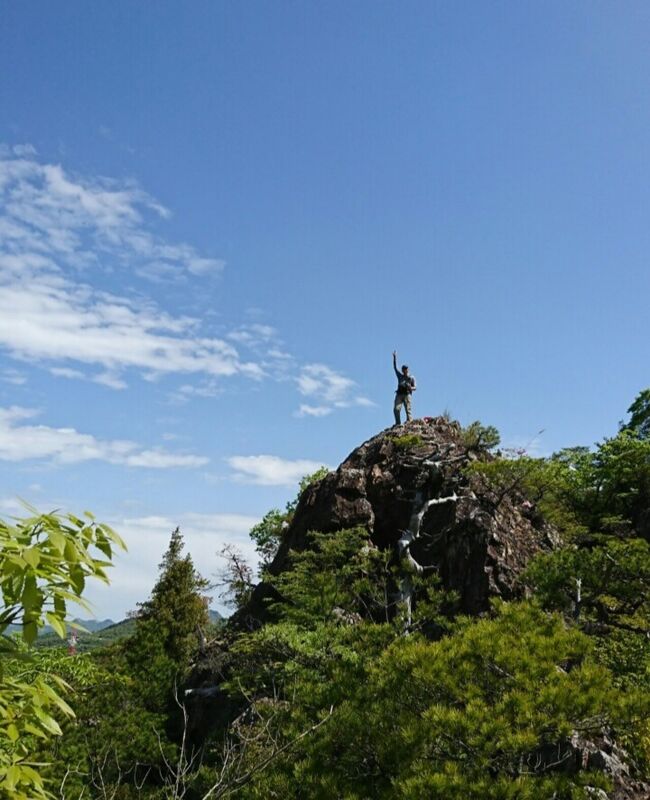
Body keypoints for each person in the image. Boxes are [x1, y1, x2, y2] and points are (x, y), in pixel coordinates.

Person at [392, 350, 416, 425]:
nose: (405, 370)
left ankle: (409, 422)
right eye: (403, 369)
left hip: (407, 394)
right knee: (396, 409)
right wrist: (395, 358)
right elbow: (395, 367)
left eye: (406, 369)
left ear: (408, 369)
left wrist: (410, 388)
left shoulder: (411, 377)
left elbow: (415, 387)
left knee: (408, 409)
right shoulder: (400, 376)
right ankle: (398, 423)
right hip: (399, 394)